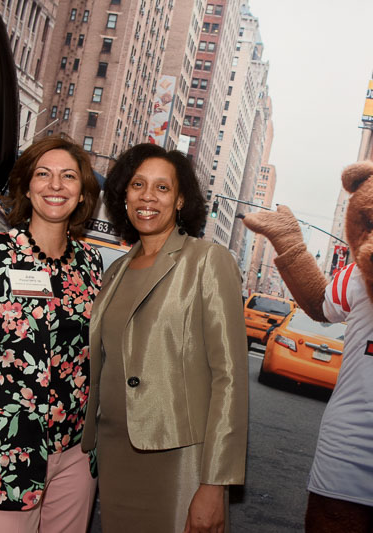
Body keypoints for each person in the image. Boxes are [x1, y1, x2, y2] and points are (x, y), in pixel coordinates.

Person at [0, 135, 102, 532]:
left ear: (82, 194)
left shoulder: (91, 265)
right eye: (43, 175)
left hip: (77, 456)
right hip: (3, 458)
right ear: (26, 187)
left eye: (68, 177)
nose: (55, 185)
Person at [82, 143, 248, 532]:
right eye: (138, 184)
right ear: (123, 195)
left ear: (180, 200)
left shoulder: (208, 261)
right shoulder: (117, 269)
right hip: (115, 451)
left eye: (162, 188)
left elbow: (230, 379)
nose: (148, 197)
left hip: (181, 459)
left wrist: (213, 483)